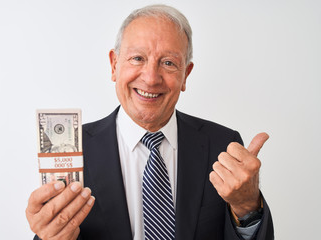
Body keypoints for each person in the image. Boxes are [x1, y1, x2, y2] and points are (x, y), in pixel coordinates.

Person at [26, 4, 274, 240]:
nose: (151, 78)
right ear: (114, 65)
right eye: (137, 58)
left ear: (185, 75)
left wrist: (246, 207)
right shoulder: (71, 152)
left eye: (168, 63)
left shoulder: (223, 146)